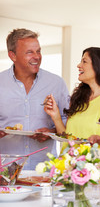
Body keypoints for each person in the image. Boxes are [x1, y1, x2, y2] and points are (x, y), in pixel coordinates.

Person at [0, 28, 69, 170]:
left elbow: (69, 121)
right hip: (5, 170)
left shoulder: (56, 83)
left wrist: (52, 132)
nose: (37, 56)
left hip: (44, 169)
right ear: (12, 55)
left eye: (38, 51)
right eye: (29, 52)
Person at [44, 47, 100, 178]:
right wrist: (55, 116)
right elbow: (68, 138)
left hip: (97, 172)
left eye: (84, 61)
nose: (79, 65)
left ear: (98, 66)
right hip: (69, 170)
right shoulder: (78, 98)